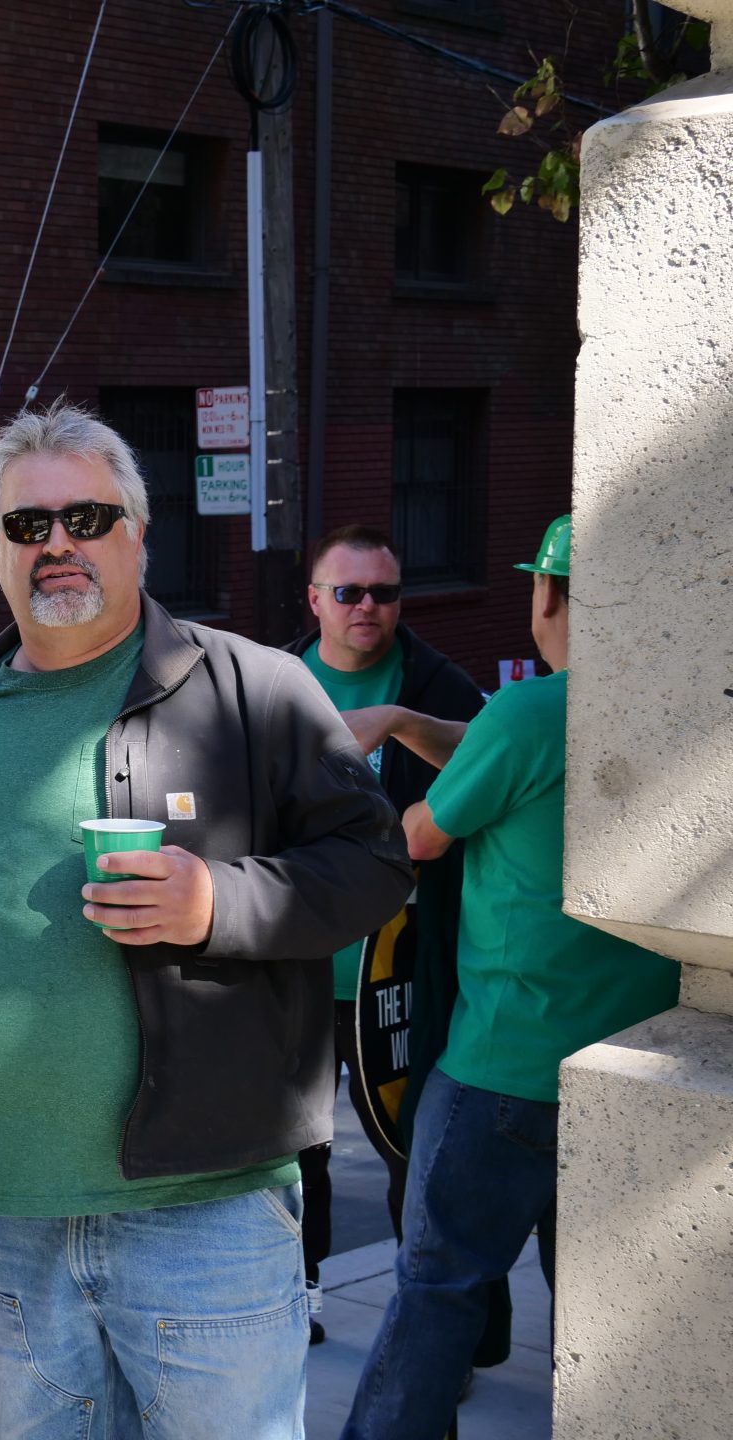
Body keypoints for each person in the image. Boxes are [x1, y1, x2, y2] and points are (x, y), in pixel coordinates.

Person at [0, 400, 413, 1440]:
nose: (57, 545)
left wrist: (217, 901)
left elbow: (374, 866)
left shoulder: (255, 690)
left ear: (137, 532)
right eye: (26, 526)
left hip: (206, 1213)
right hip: (10, 1219)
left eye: (85, 518)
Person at [340, 516, 679, 1440]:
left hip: (504, 1067)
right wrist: (410, 720)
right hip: (635, 1066)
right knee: (608, 1316)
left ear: (549, 596)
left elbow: (422, 836)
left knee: (436, 1292)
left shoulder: (531, 714)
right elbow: (504, 761)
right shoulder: (676, 708)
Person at [283, 525, 486, 1342]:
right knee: (294, 1159)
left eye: (385, 593)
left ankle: (443, 1334)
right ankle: (298, 1306)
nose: (369, 608)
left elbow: (493, 771)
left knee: (423, 1162)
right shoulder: (268, 680)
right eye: (349, 592)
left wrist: (404, 723)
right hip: (293, 968)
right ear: (315, 601)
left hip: (403, 972)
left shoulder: (439, 685)